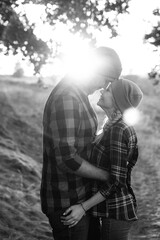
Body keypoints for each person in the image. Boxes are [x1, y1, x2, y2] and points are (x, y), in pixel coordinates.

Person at [40, 46, 122, 240]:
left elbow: (83, 142)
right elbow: (67, 158)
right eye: (106, 80)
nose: (104, 87)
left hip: (81, 197)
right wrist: (106, 175)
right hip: (67, 201)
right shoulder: (67, 97)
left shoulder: (79, 94)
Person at [61, 78, 143, 240]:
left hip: (116, 211)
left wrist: (83, 208)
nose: (101, 91)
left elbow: (116, 181)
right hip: (109, 210)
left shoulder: (119, 130)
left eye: (108, 90)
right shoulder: (110, 126)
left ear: (118, 99)